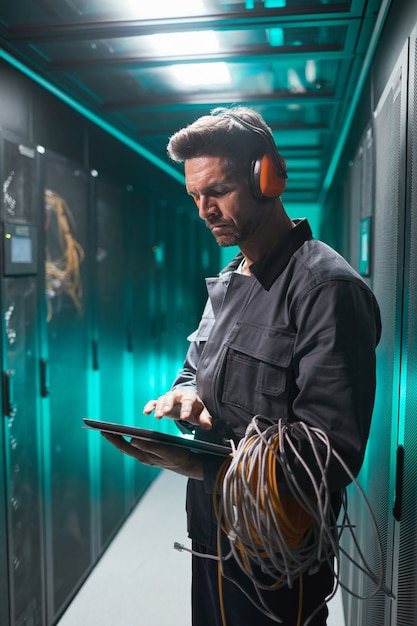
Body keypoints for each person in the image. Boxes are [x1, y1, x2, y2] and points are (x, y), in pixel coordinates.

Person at [102, 106, 381, 625]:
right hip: (212, 531)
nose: (205, 209)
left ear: (267, 177)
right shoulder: (231, 280)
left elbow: (332, 454)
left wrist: (202, 464)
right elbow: (196, 368)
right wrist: (187, 395)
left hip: (278, 548)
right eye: (195, 197)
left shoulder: (325, 288)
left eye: (219, 190)